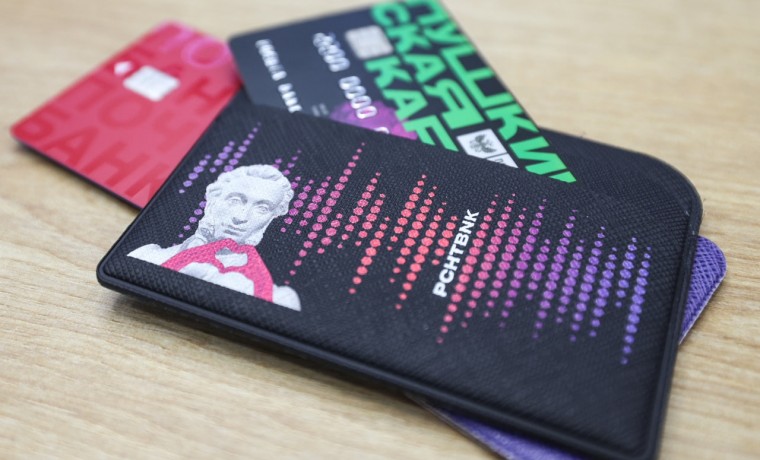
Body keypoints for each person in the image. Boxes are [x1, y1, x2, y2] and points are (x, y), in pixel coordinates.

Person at [129, 164, 301, 311]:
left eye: (262, 209)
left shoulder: (279, 299)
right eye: (235, 200)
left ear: (270, 219)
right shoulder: (146, 255)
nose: (241, 217)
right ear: (212, 202)